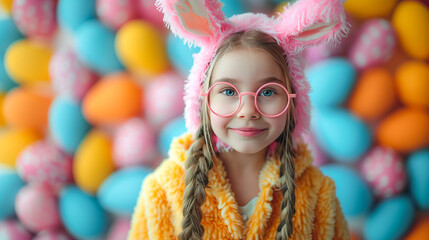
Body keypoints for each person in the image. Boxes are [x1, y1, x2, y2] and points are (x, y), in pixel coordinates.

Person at [128, 0, 350, 239]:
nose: (248, 111)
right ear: (204, 101)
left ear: (292, 102)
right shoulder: (162, 190)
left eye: (267, 92)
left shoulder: (319, 194)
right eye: (229, 91)